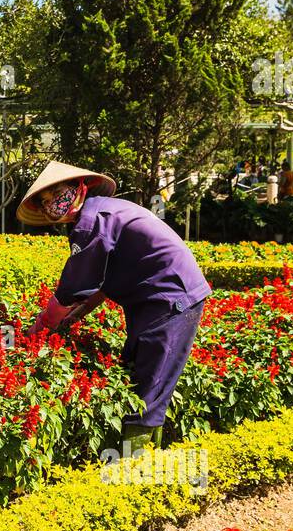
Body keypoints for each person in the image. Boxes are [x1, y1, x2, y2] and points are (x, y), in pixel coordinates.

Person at [19, 161, 211, 451]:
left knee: (149, 386)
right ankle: (142, 454)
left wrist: (40, 328)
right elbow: (100, 282)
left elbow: (70, 289)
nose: (53, 204)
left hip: (169, 298)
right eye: (46, 202)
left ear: (80, 187)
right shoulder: (98, 212)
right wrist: (75, 317)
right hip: (154, 298)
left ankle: (135, 463)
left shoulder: (93, 220)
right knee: (137, 369)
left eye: (57, 194)